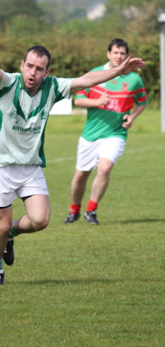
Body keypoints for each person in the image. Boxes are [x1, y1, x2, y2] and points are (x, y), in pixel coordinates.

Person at [0, 37, 145, 286]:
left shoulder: (52, 87)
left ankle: (10, 234)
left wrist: (119, 70)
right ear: (22, 65)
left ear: (46, 72)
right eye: (30, 66)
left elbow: (87, 81)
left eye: (39, 68)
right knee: (0, 223)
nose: (33, 72)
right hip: (0, 165)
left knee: (40, 220)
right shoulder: (8, 84)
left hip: (30, 166)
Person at [64, 38, 147, 225]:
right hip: (90, 134)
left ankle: (91, 210)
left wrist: (132, 117)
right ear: (108, 54)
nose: (119, 56)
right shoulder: (95, 75)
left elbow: (142, 102)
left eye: (123, 53)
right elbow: (78, 100)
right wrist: (96, 102)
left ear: (127, 56)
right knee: (80, 175)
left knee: (105, 167)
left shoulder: (134, 79)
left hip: (116, 133)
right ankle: (74, 210)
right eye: (116, 52)